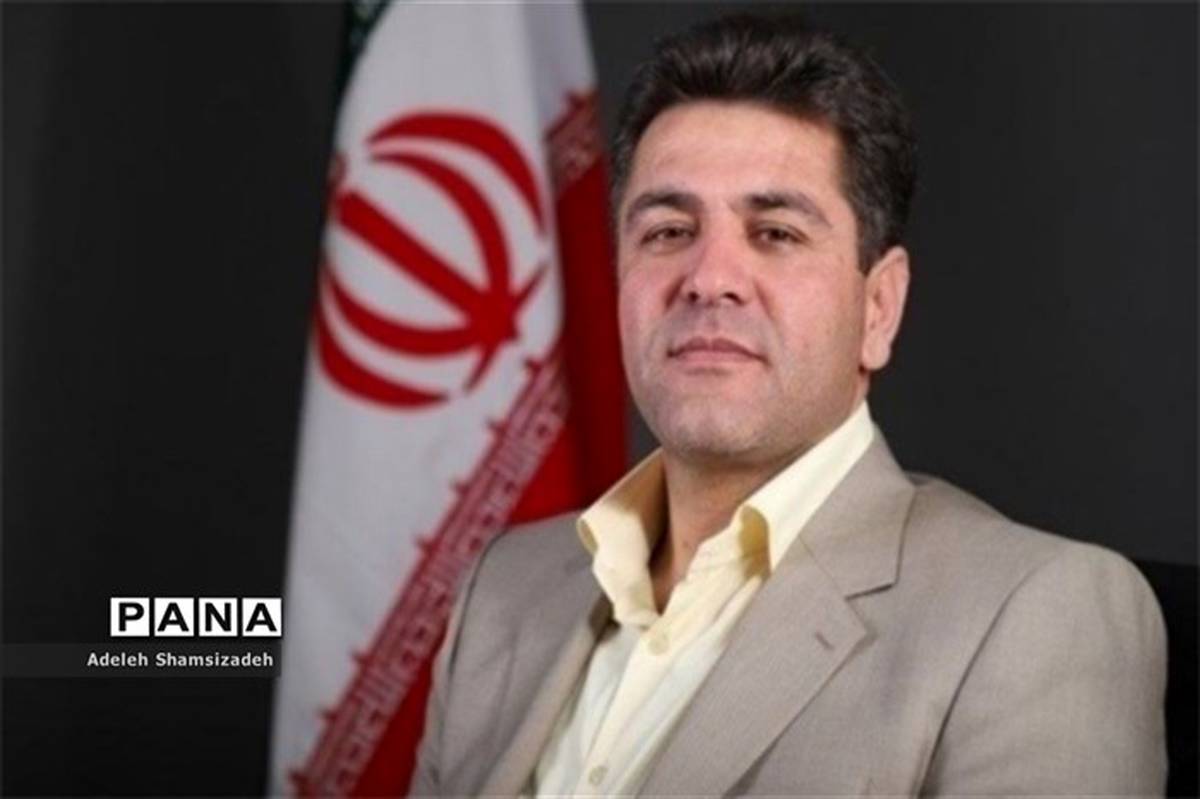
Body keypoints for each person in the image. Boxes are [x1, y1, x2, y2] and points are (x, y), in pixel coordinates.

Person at [411, 13, 1167, 797]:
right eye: (668, 230)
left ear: (879, 308)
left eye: (775, 232)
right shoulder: (502, 591)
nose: (709, 278)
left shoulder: (1034, 613)